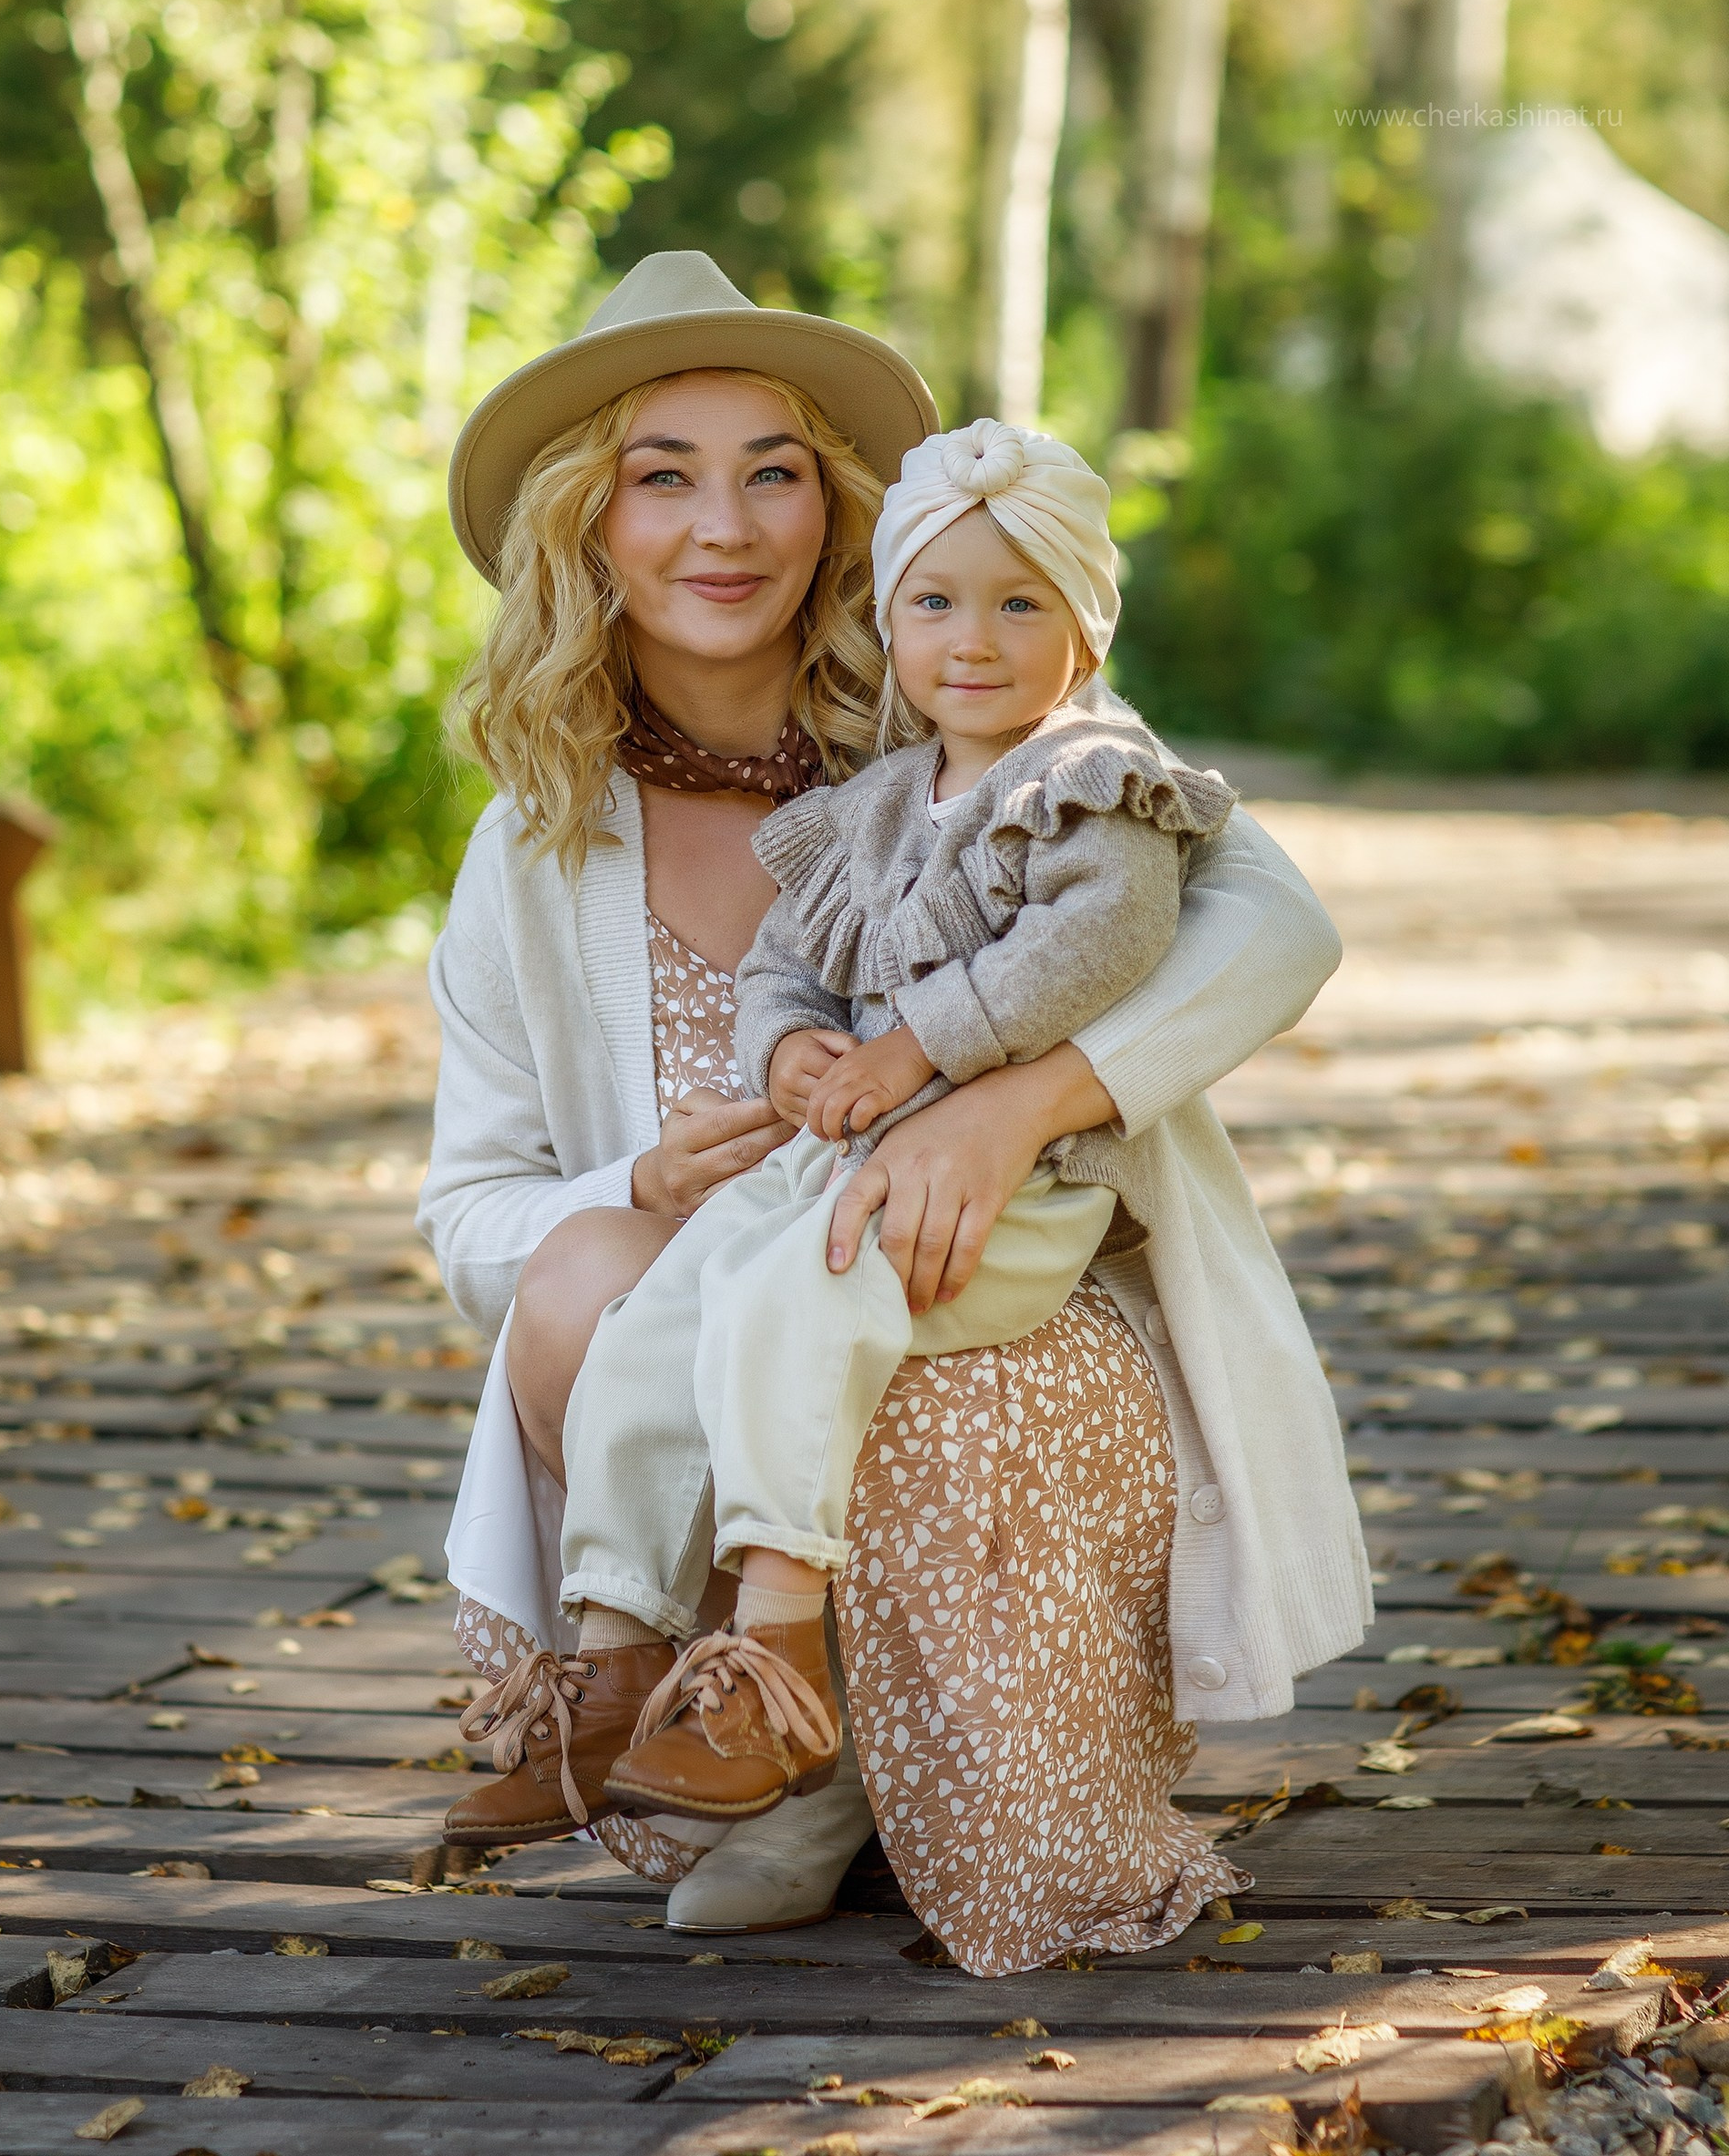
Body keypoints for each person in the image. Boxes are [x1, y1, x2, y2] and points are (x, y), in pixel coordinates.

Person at [418, 250, 1368, 1972]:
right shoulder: (538, 841)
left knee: (907, 1362)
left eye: (773, 471)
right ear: (589, 530)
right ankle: (706, 1690)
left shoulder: (961, 689)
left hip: (1008, 1271)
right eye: (665, 477)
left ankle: (860, 1745)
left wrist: (1011, 1104)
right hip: (740, 1293)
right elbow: (466, 1210)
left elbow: (1273, 918)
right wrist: (633, 1175)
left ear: (839, 516)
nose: (727, 525)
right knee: (591, 1282)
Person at [535, 419, 1248, 1832]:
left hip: (1022, 1186)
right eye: (935, 602)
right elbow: (787, 961)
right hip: (834, 1158)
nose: (972, 640)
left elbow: (1103, 937)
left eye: (1019, 602)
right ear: (891, 615)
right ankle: (615, 1648)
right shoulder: (869, 802)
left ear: (1087, 625)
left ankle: (776, 1651)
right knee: (669, 1307)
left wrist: (922, 1043)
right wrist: (792, 1046)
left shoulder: (1091, 777)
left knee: (806, 1296)